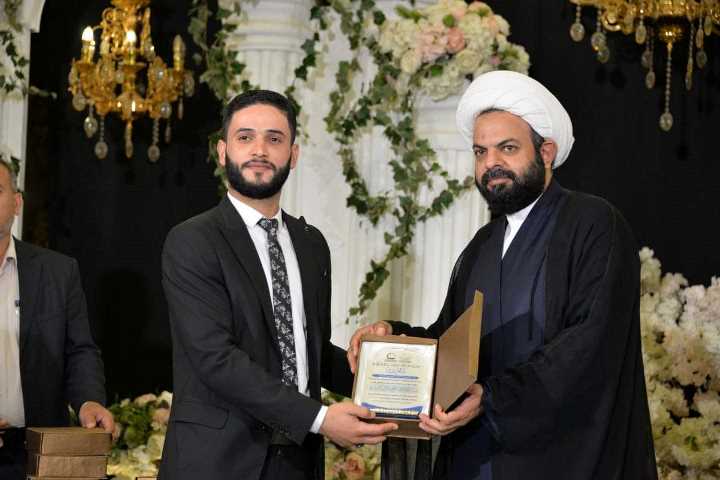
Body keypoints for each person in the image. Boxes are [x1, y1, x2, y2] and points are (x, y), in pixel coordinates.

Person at [348, 71, 657, 480]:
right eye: (481, 152)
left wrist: (491, 398)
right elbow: (449, 340)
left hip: (565, 456)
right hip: (477, 457)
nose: (491, 163)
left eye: (507, 148)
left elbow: (590, 343)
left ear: (546, 152)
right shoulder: (483, 244)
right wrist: (394, 338)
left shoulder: (594, 224)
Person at [159, 90, 397, 480]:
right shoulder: (193, 241)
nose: (260, 150)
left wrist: (383, 371)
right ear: (223, 151)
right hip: (218, 461)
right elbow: (215, 358)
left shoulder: (311, 244)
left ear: (293, 154)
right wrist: (320, 418)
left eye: (274, 139)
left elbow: (309, 353)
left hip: (299, 460)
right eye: (245, 137)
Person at [0, 158, 114, 479]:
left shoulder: (58, 272)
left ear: (16, 203)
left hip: (40, 452)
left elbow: (80, 351)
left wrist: (88, 401)